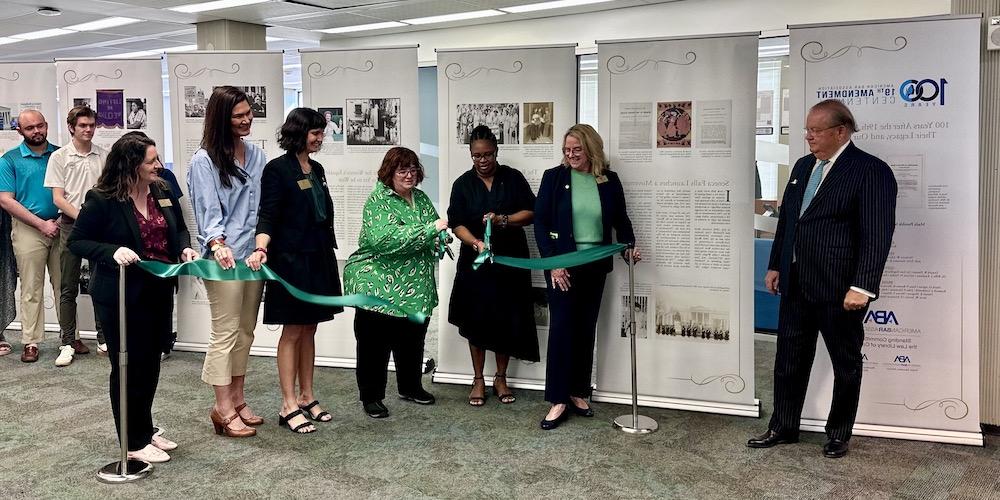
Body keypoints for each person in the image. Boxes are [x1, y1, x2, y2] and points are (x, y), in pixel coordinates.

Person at [748, 99, 897, 459]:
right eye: (808, 130)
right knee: (788, 358)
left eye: (816, 131)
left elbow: (877, 234)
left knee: (845, 362)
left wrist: (862, 286)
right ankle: (783, 426)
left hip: (840, 288)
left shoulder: (870, 170)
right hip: (797, 282)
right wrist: (776, 265)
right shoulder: (802, 166)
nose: (808, 137)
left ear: (840, 131)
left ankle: (838, 433)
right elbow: (788, 223)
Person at [68, 133, 198, 463]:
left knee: (151, 361)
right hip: (121, 295)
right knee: (127, 366)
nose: (159, 165)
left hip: (158, 289)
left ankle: (145, 428)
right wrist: (112, 251)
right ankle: (132, 439)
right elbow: (79, 242)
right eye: (152, 161)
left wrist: (182, 246)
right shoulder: (102, 199)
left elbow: (178, 228)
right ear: (131, 165)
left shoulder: (162, 190)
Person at [533, 123, 640, 430]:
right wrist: (555, 263)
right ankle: (557, 399)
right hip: (563, 265)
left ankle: (579, 391)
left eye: (577, 150)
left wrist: (628, 248)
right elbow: (541, 223)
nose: (571, 155)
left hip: (596, 265)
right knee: (563, 328)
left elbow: (621, 219)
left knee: (584, 329)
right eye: (567, 151)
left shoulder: (609, 180)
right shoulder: (554, 178)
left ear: (592, 148)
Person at [247, 108, 343, 434]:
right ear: (298, 133)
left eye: (321, 133)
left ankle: (307, 395)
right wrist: (261, 248)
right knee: (292, 330)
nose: (320, 138)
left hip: (318, 257)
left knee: (310, 328)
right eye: (315, 133)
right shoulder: (277, 170)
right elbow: (268, 215)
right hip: (290, 260)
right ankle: (287, 404)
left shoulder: (316, 169)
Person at [343, 147, 445, 419]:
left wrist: (439, 239)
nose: (409, 175)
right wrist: (430, 231)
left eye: (413, 169)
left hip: (415, 286)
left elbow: (434, 229)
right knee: (374, 345)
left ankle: (410, 386)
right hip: (378, 285)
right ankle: (372, 396)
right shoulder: (378, 200)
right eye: (402, 170)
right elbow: (385, 241)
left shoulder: (421, 198)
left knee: (412, 340)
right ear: (389, 172)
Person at [187, 86, 266, 438]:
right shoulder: (203, 160)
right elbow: (208, 212)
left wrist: (261, 245)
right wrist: (218, 243)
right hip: (223, 258)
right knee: (225, 332)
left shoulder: (257, 155)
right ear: (222, 118)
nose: (246, 119)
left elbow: (262, 206)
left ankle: (238, 398)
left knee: (246, 331)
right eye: (238, 116)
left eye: (249, 113)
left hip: (252, 256)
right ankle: (221, 407)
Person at [447, 125, 538, 407]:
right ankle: (477, 379)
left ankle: (500, 377)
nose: (482, 160)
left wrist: (503, 220)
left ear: (496, 152)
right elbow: (456, 222)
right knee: (476, 318)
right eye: (476, 156)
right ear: (470, 155)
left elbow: (532, 212)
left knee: (506, 317)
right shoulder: (462, 184)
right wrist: (475, 242)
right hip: (476, 260)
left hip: (510, 259)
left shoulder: (512, 178)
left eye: (487, 154)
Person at [43, 105, 108, 366]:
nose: (88, 130)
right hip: (71, 224)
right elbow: (58, 198)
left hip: (100, 228)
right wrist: (84, 218)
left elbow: (108, 191)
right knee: (67, 285)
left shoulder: (104, 156)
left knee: (100, 283)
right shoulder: (59, 157)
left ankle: (104, 338)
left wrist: (96, 219)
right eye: (83, 125)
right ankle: (67, 342)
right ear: (72, 127)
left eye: (91, 125)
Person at [0, 110, 61, 363]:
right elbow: (5, 200)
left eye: (40, 126)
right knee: (31, 288)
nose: (36, 131)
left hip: (61, 225)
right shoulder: (10, 160)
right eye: (29, 128)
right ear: (20, 132)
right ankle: (31, 341)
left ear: (46, 125)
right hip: (28, 228)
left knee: (64, 286)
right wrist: (40, 224)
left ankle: (70, 337)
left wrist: (57, 222)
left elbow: (72, 192)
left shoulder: (60, 155)